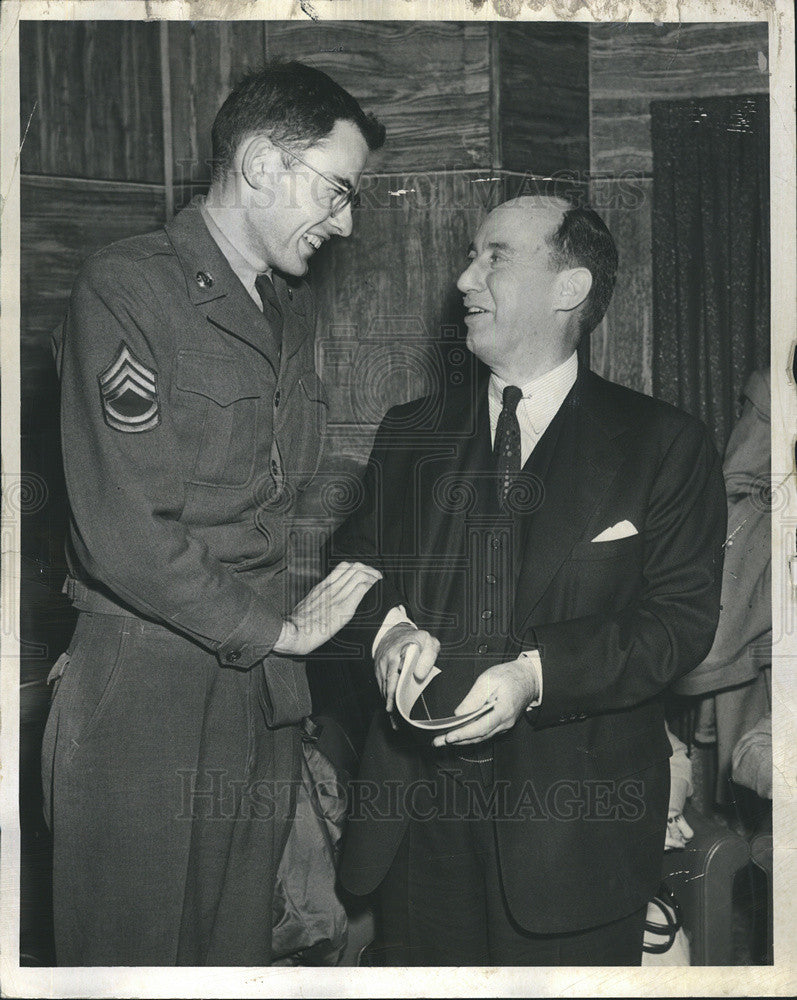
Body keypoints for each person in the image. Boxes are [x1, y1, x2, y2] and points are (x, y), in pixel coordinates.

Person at [41, 62, 385, 966]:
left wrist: (282, 644)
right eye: (337, 189)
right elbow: (124, 535)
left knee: (237, 953)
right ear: (264, 163)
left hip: (262, 689)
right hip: (147, 685)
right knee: (130, 957)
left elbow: (272, 495)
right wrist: (276, 631)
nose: (345, 220)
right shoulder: (128, 289)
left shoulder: (289, 307)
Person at [331, 195, 727, 965]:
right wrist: (387, 629)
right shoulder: (409, 430)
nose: (462, 279)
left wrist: (533, 676)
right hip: (415, 822)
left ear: (568, 288)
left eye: (493, 257)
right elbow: (357, 564)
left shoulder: (663, 443)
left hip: (574, 835)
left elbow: (677, 623)